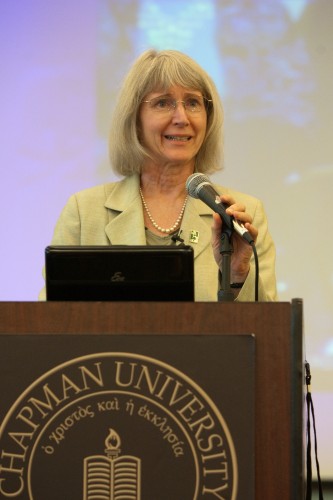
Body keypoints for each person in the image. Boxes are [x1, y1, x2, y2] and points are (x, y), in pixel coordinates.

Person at [39, 49, 277, 302]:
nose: (182, 118)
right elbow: (52, 324)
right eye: (163, 103)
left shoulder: (240, 215)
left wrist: (238, 273)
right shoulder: (84, 212)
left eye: (193, 103)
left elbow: (267, 333)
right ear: (135, 120)